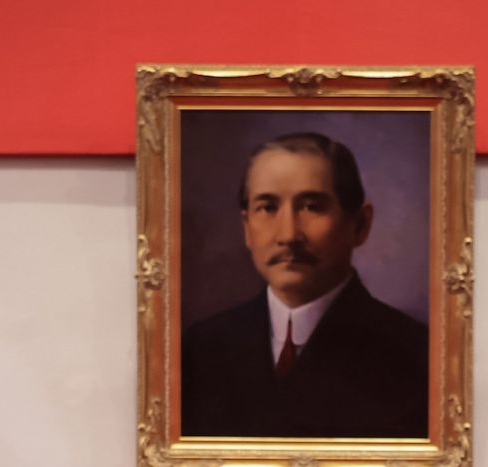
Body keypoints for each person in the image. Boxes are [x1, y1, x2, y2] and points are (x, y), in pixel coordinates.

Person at [181, 131, 429, 439]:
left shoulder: (417, 356)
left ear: (360, 225)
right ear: (247, 227)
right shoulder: (199, 349)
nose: (288, 234)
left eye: (312, 206)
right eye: (268, 208)